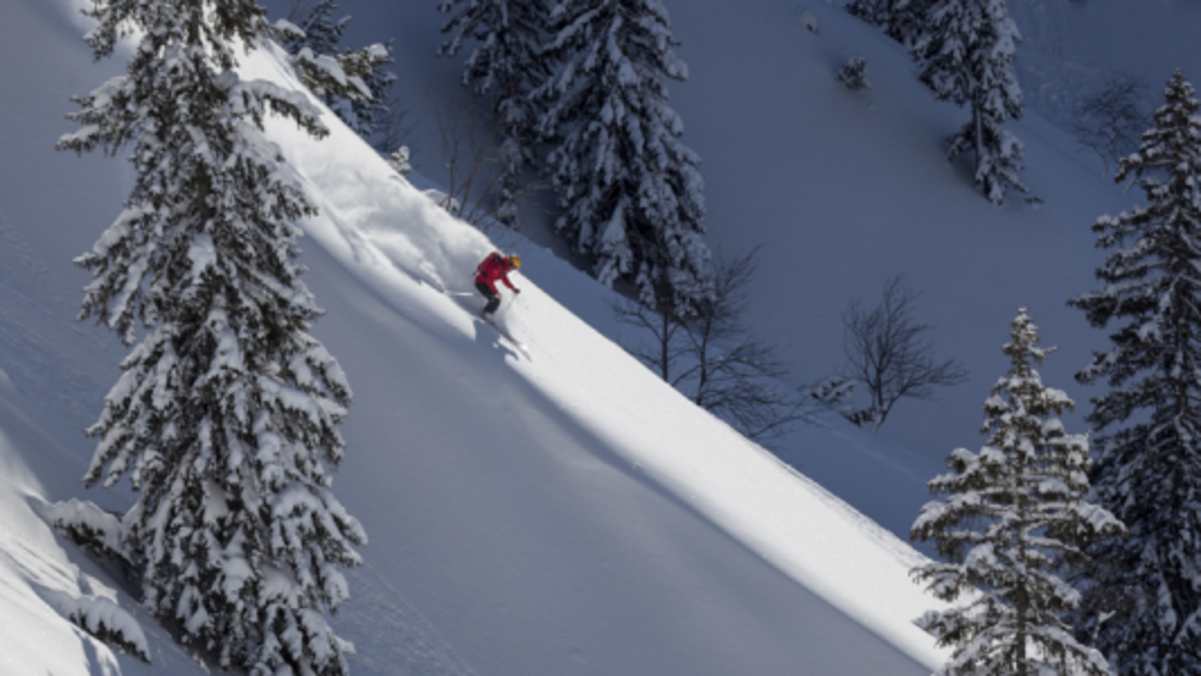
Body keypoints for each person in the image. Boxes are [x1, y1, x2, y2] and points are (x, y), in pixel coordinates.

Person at [474, 251, 521, 316]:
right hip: (481, 283)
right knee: (496, 299)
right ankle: (486, 313)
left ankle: (487, 312)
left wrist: (513, 288)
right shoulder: (498, 266)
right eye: (514, 266)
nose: (513, 269)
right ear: (511, 263)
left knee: (497, 298)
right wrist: (495, 292)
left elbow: (505, 279)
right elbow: (489, 280)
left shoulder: (503, 267)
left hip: (484, 283)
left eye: (515, 267)